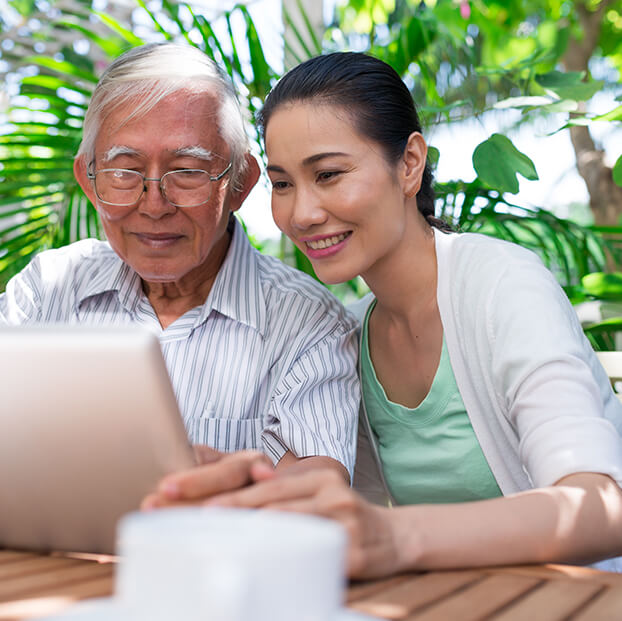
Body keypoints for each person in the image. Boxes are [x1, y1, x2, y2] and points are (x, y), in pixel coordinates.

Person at [174, 51, 622, 577]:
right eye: (283, 183)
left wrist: (397, 536)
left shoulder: (501, 284)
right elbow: (350, 531)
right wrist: (251, 490)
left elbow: (600, 508)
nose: (302, 213)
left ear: (409, 164)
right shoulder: (353, 333)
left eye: (329, 174)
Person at [0, 44, 360, 486]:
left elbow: (317, 489)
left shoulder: (306, 323)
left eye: (187, 171)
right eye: (125, 171)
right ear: (89, 182)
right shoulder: (46, 290)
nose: (154, 205)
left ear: (240, 183)